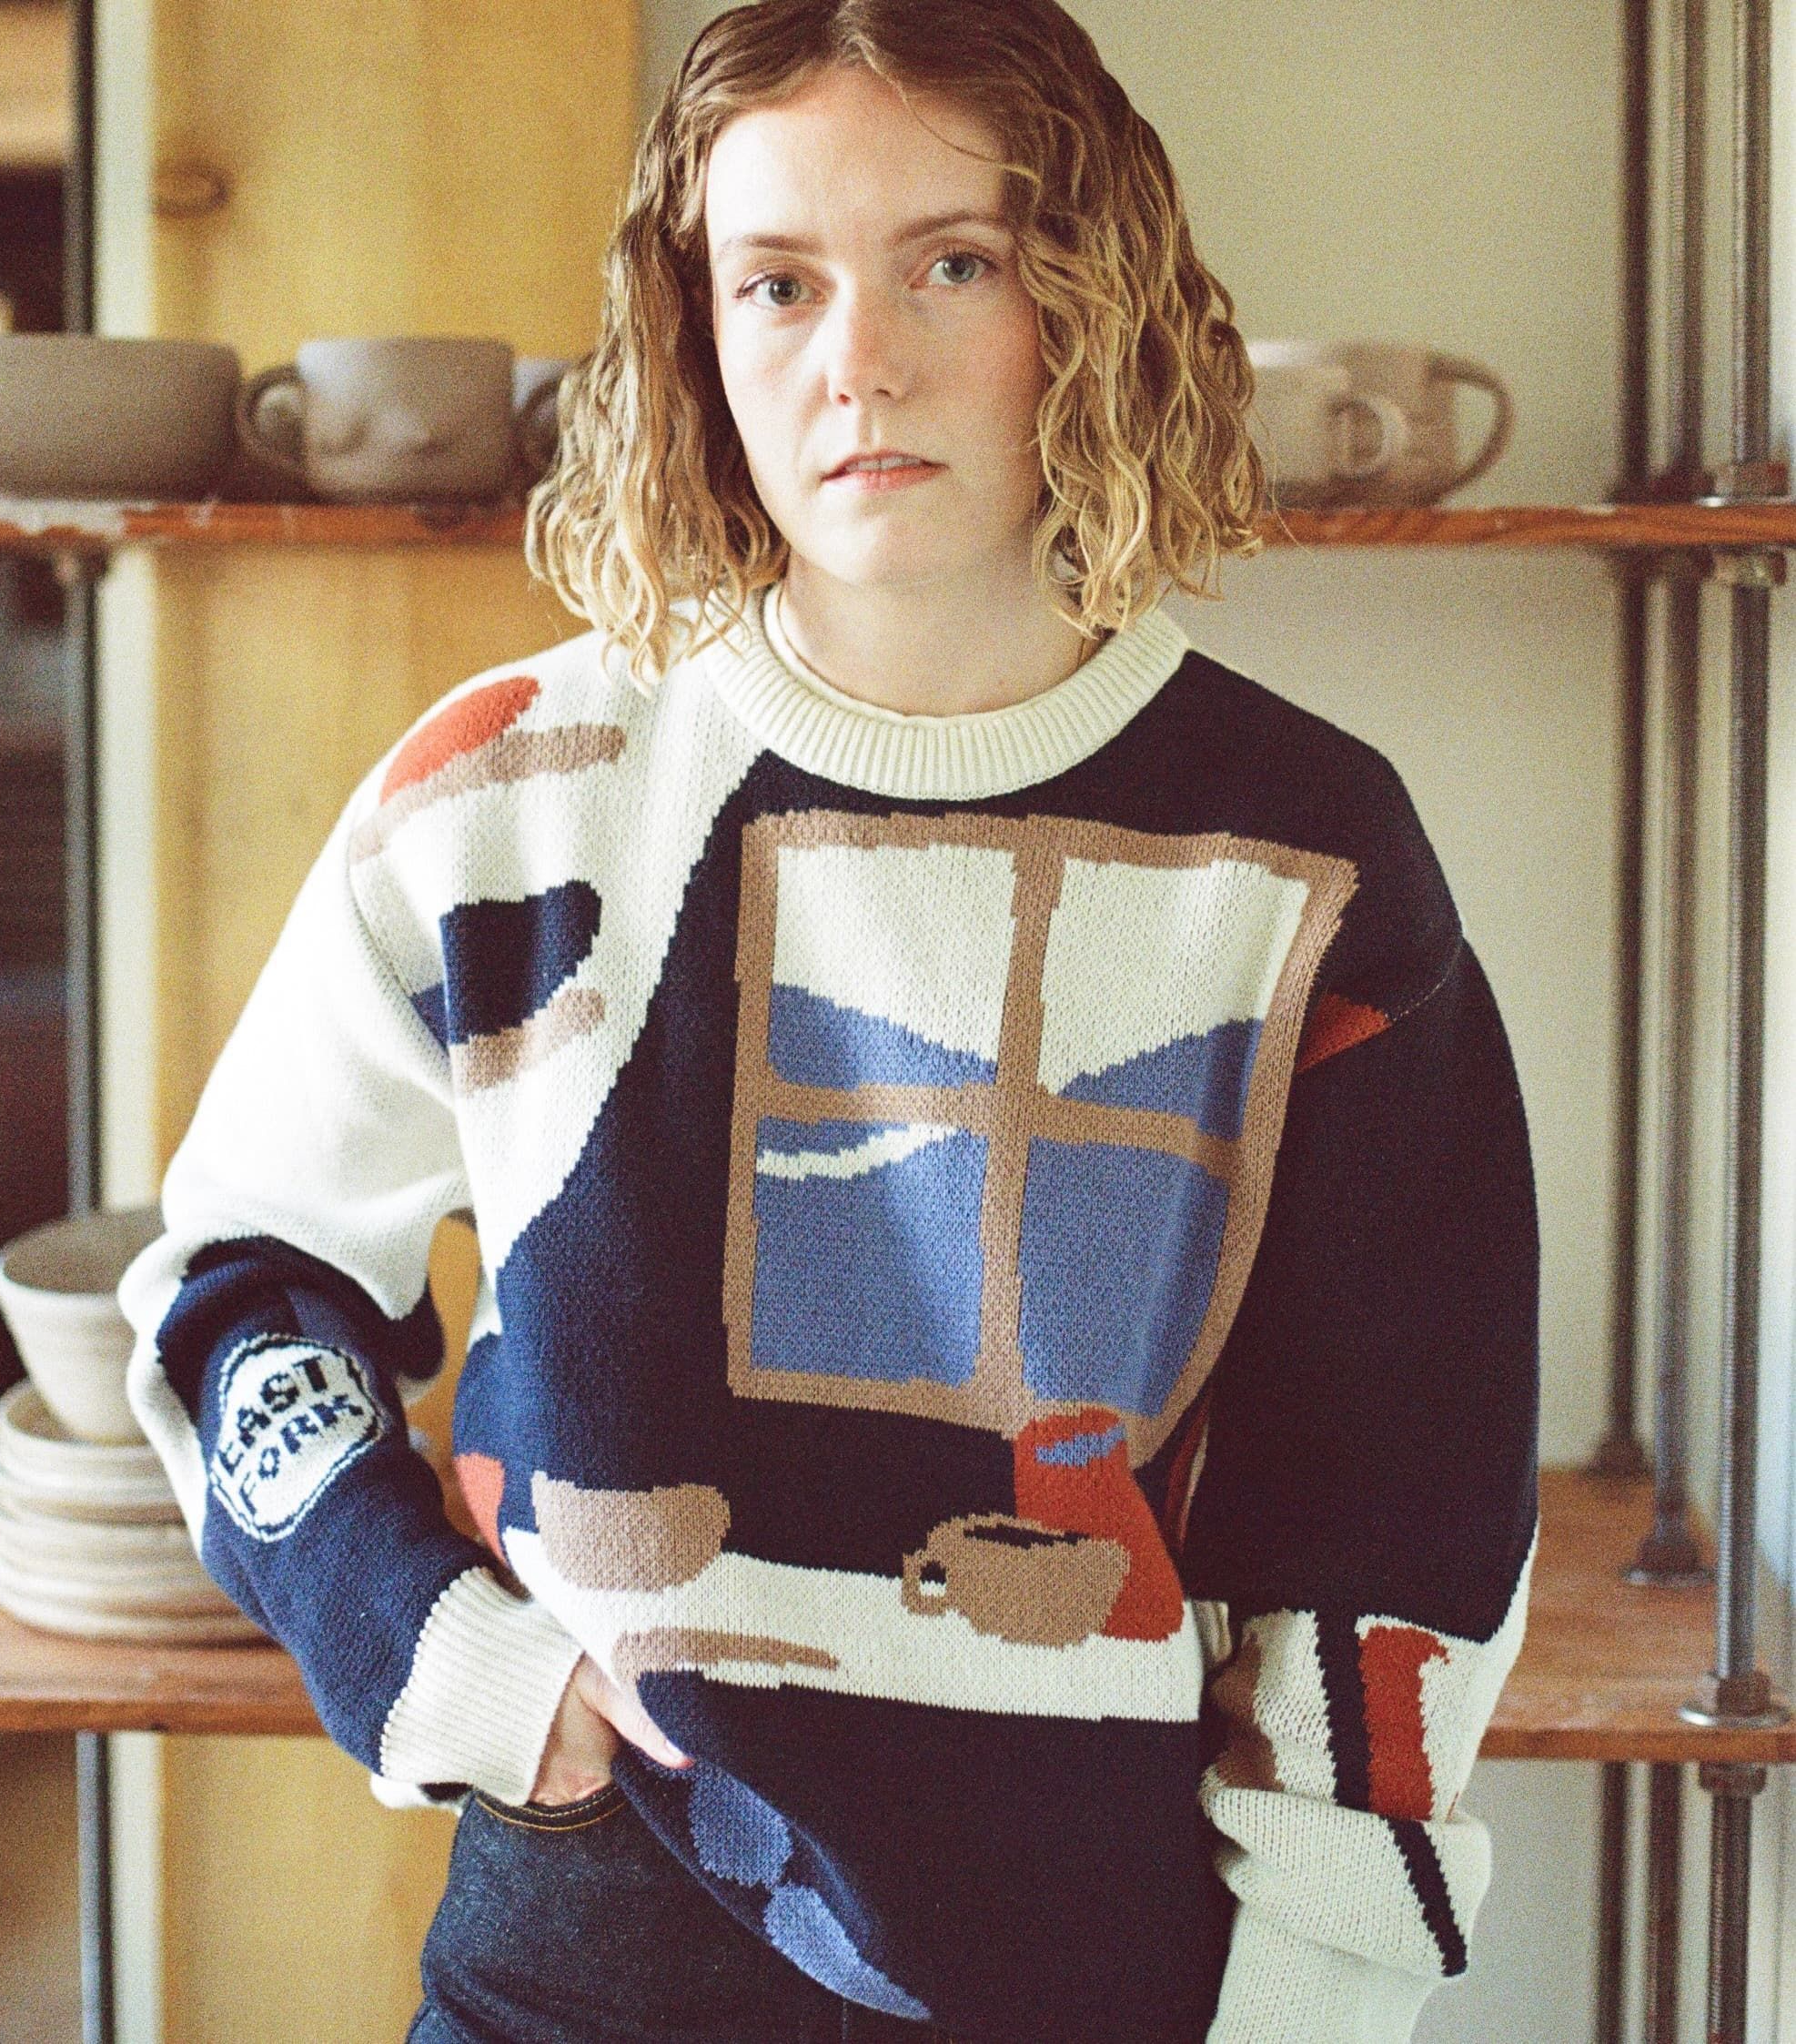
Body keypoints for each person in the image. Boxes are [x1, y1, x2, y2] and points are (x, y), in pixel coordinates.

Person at [117, 3, 1539, 2040]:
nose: (852, 361)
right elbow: (236, 1283)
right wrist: (439, 1657)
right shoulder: (504, 795)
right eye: (774, 283)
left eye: (948, 262)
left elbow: (1401, 1488)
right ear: (694, 330)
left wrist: (1316, 1986)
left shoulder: (1301, 851)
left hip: (1098, 1964)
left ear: (1089, 296)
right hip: (577, 1948)